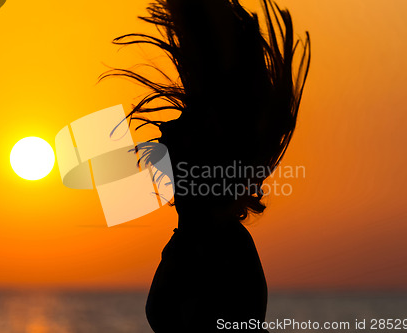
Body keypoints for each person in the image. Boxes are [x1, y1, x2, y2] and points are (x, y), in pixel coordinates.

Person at [103, 0, 310, 331]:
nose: (164, 129)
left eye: (184, 122)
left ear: (207, 156)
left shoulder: (220, 248)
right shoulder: (193, 239)